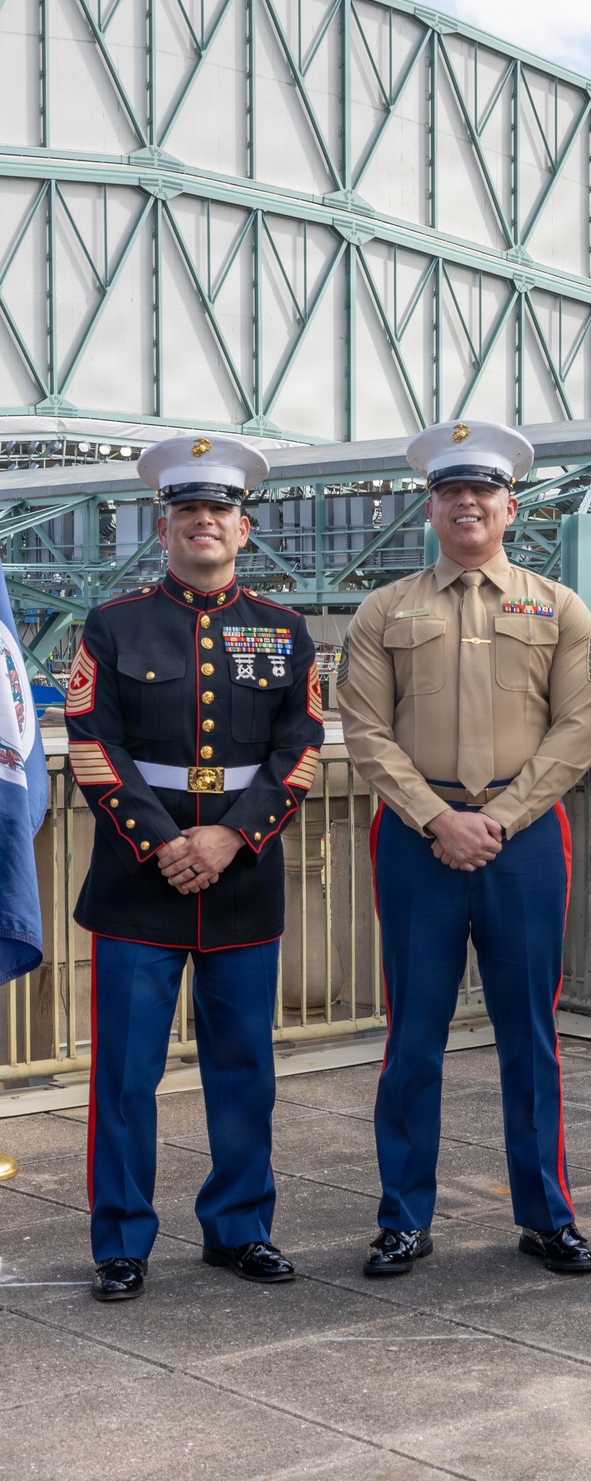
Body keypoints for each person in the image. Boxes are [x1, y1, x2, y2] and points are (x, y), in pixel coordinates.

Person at [338, 419, 591, 1276]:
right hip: (416, 838)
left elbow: (579, 728)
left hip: (522, 841)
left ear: (509, 507)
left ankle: (547, 1216)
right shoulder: (385, 609)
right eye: (451, 491)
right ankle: (403, 1217)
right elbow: (365, 730)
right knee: (413, 1037)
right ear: (431, 507)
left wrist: (503, 817)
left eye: (482, 491)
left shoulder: (559, 607)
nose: (467, 504)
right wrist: (436, 818)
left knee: (530, 1034)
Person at [66, 433, 324, 1301]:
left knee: (245, 1072)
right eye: (187, 510)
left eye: (218, 510)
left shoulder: (284, 630)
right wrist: (163, 841)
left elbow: (301, 749)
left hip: (242, 879)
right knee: (125, 1077)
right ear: (164, 526)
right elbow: (92, 746)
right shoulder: (113, 623)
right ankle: (120, 1240)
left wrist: (230, 838)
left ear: (243, 529)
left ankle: (240, 1228)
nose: (203, 521)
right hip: (138, 882)